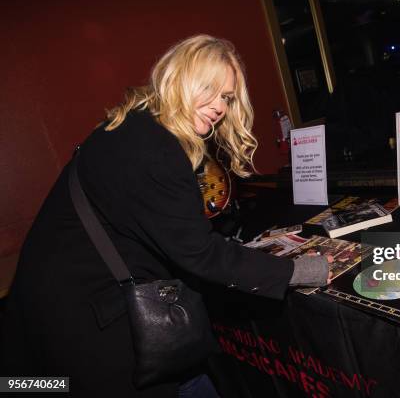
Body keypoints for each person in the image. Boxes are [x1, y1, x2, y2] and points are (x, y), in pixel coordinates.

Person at [0, 34, 331, 397]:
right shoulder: (156, 148)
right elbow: (199, 253)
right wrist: (302, 270)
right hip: (85, 322)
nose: (220, 106)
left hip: (55, 312)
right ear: (179, 79)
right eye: (210, 89)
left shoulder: (135, 127)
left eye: (227, 97)